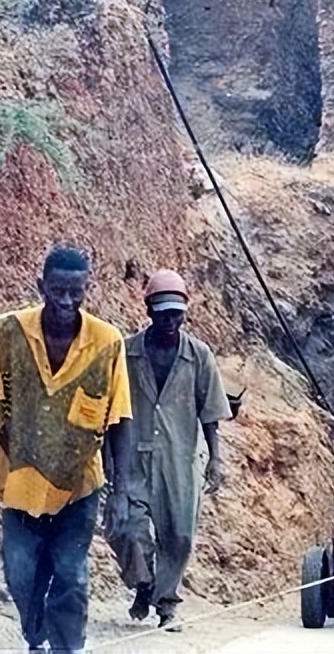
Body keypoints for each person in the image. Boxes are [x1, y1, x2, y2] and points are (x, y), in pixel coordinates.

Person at [0, 245, 133, 654]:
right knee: (20, 572)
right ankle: (35, 637)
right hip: (20, 480)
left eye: (76, 292)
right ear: (41, 286)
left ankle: (67, 647)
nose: (67, 302)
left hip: (80, 486)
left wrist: (122, 491)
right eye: (58, 291)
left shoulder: (107, 343)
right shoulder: (7, 333)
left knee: (71, 573)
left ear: (86, 289)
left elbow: (120, 421)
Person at [106, 269, 231, 631]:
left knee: (179, 535)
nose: (170, 321)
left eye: (176, 313)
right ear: (148, 311)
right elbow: (109, 409)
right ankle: (144, 585)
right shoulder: (126, 354)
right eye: (163, 314)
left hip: (180, 457)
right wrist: (107, 460)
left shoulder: (199, 356)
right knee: (126, 527)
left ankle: (167, 605)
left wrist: (216, 459)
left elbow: (210, 413)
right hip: (131, 455)